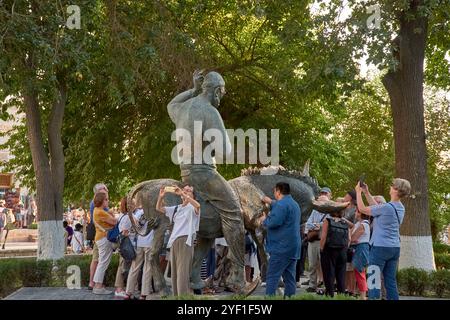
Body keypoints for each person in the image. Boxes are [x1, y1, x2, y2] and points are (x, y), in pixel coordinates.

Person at [167, 70, 247, 291]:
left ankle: (194, 275)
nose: (221, 98)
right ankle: (238, 276)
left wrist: (193, 89)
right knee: (234, 213)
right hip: (204, 173)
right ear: (216, 91)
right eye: (222, 93)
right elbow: (225, 152)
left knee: (210, 227)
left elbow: (170, 103)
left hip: (186, 172)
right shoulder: (209, 111)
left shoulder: (182, 108)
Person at [355, 178, 411, 300]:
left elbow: (363, 209)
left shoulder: (387, 208)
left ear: (396, 190)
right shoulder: (399, 207)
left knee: (373, 279)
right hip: (394, 248)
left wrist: (358, 193)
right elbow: (377, 208)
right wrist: (366, 192)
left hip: (380, 248)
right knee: (390, 281)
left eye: (392, 186)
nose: (390, 187)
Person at [156, 184, 200, 296]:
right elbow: (159, 208)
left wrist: (183, 194)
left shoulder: (193, 207)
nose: (185, 191)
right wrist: (161, 197)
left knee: (183, 273)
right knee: (175, 273)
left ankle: (183, 298)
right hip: (175, 242)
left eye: (189, 190)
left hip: (186, 241)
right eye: (184, 190)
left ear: (193, 195)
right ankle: (177, 297)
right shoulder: (177, 208)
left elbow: (198, 206)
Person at [259, 182, 301, 297]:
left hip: (281, 248)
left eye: (274, 192)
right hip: (293, 248)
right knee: (290, 278)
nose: (274, 194)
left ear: (278, 191)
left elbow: (274, 222)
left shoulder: (281, 205)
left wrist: (264, 219)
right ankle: (290, 298)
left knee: (272, 276)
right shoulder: (294, 204)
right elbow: (281, 208)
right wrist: (271, 202)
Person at [304, 187, 332, 292]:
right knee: (312, 264)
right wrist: (319, 225)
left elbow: (328, 224)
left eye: (323, 202)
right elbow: (308, 224)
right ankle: (312, 285)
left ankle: (326, 285)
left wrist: (317, 225)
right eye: (319, 202)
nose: (320, 204)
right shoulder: (314, 211)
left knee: (325, 264)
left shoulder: (330, 212)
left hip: (324, 241)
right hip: (313, 241)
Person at [319, 208, 351, 297]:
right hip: (342, 251)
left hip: (329, 250)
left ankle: (330, 296)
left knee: (329, 275)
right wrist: (344, 249)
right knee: (341, 275)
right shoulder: (345, 223)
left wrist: (321, 249)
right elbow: (349, 239)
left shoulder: (328, 221)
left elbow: (323, 237)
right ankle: (341, 296)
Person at [125, 207, 155, 300]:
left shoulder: (139, 212)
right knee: (147, 268)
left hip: (139, 243)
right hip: (150, 243)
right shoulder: (155, 211)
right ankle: (143, 294)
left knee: (134, 267)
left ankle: (128, 292)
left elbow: (134, 226)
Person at [92, 192, 117, 295]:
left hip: (100, 237)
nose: (108, 201)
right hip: (104, 238)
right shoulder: (101, 212)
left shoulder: (96, 210)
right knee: (103, 262)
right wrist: (111, 214)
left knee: (102, 262)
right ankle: (98, 286)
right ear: (101, 201)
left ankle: (97, 285)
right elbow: (114, 222)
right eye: (106, 199)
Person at [88, 183, 109, 290]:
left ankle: (94, 282)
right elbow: (110, 219)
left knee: (97, 259)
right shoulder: (97, 203)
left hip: (99, 234)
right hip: (100, 235)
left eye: (105, 189)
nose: (106, 190)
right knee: (97, 259)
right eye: (103, 189)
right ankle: (94, 283)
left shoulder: (97, 202)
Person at [114, 197, 134, 298]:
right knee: (122, 266)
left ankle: (120, 288)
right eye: (131, 203)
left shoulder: (123, 215)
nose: (134, 204)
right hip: (126, 244)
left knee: (122, 265)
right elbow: (125, 232)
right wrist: (133, 232)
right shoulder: (126, 217)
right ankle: (119, 289)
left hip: (123, 243)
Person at [350, 209, 371, 300]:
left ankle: (363, 296)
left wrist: (351, 238)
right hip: (360, 248)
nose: (355, 213)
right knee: (359, 271)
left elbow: (353, 238)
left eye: (356, 212)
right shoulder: (360, 223)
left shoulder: (363, 224)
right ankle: (362, 295)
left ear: (360, 213)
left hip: (361, 248)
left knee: (360, 272)